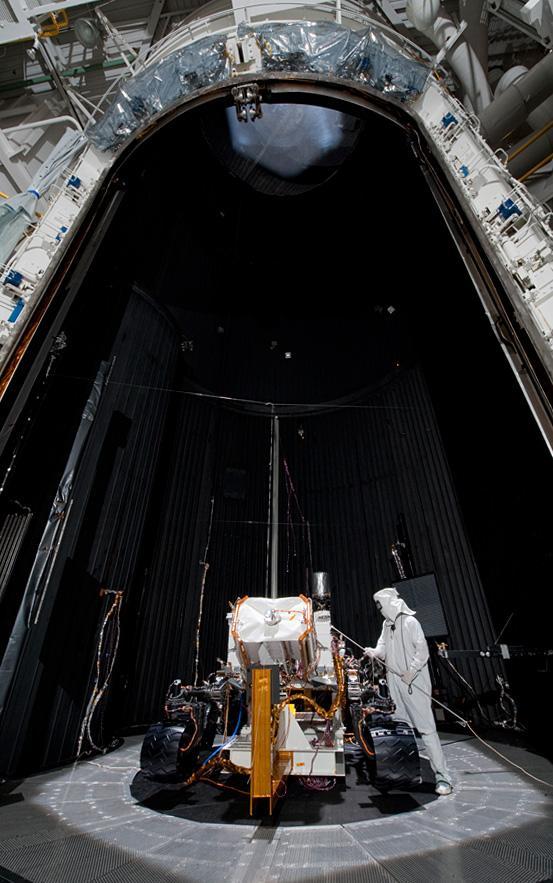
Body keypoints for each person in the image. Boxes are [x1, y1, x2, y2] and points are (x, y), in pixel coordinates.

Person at [364, 586, 453, 796]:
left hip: (414, 683)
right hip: (395, 682)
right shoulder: (387, 625)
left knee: (426, 730)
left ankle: (443, 776)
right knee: (401, 726)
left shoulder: (411, 623)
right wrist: (373, 652)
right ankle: (406, 772)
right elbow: (383, 649)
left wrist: (411, 672)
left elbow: (423, 652)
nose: (380, 611)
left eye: (381, 606)